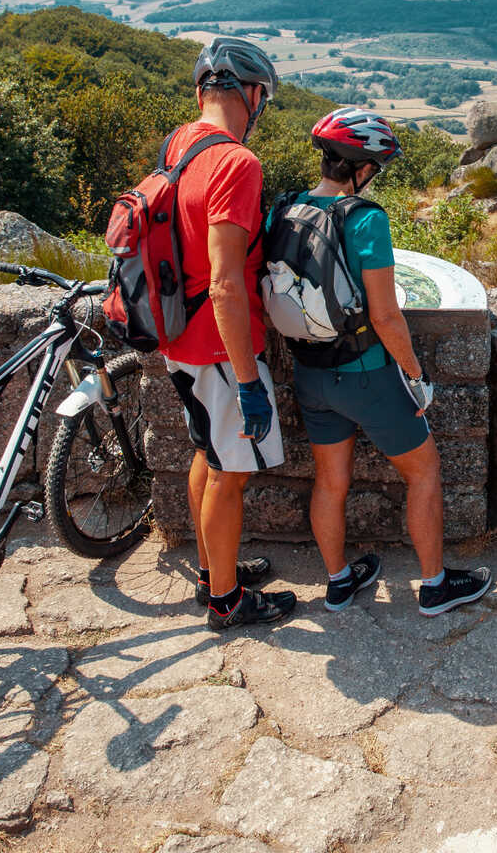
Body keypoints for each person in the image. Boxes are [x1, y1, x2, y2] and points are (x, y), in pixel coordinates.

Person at [281, 107, 494, 616]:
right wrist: (416, 377)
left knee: (331, 480)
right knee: (424, 472)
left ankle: (337, 582)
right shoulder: (366, 219)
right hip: (367, 376)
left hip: (310, 372)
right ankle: (436, 585)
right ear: (362, 166)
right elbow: (386, 316)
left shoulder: (286, 209)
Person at [162, 37, 297, 631]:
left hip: (175, 335)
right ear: (254, 95)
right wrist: (248, 380)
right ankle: (228, 601)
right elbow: (225, 283)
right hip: (218, 345)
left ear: (200, 93)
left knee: (207, 454)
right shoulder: (238, 163)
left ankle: (212, 570)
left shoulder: (180, 143)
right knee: (230, 473)